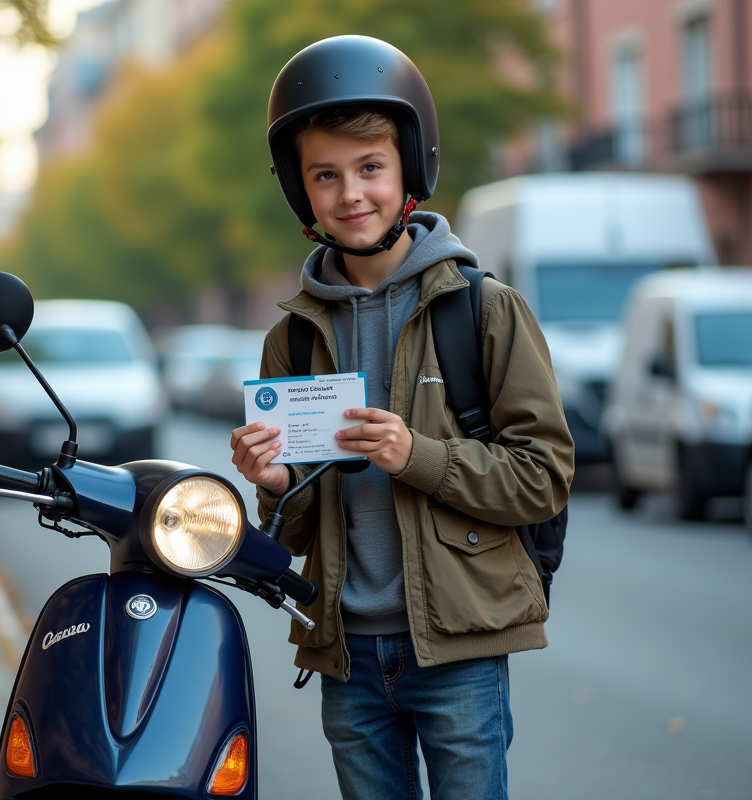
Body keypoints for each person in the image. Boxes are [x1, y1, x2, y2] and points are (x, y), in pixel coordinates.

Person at [229, 35, 574, 800]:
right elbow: (290, 528)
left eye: (370, 168)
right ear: (300, 190)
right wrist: (276, 481)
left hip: (459, 653)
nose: (350, 193)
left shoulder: (483, 310)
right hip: (346, 654)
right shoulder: (290, 336)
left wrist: (417, 453)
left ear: (410, 167)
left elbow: (544, 478)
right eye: (326, 175)